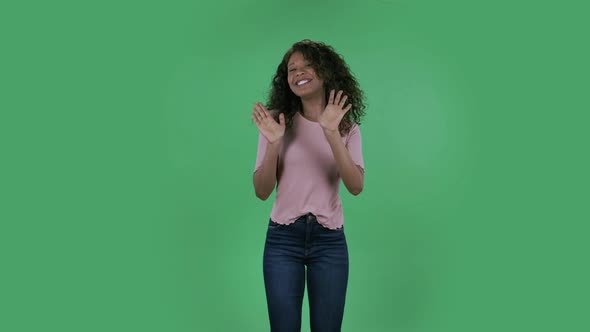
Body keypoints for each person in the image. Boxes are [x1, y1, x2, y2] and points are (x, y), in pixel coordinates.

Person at [251, 39, 366, 332]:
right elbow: (262, 191)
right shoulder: (275, 124)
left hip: (329, 241)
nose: (298, 72)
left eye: (307, 65)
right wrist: (274, 143)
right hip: (282, 241)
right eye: (292, 69)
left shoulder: (346, 128)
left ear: (325, 72)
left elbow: (355, 186)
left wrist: (330, 133)